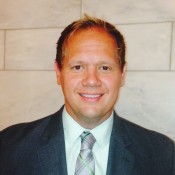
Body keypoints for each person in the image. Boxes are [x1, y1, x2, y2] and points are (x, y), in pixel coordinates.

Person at [0, 15, 174, 175]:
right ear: (58, 73)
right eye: (78, 67)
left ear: (122, 74)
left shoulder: (162, 154)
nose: (92, 81)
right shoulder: (8, 146)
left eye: (104, 68)